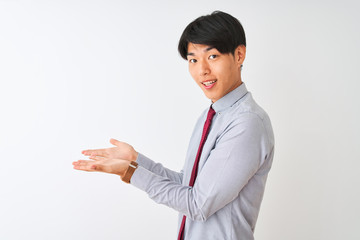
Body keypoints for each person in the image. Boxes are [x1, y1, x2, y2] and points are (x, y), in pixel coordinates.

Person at [73, 10, 274, 240]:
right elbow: (188, 185)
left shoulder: (247, 123)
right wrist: (136, 160)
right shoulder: (213, 114)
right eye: (193, 60)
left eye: (213, 56)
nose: (202, 70)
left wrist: (130, 172)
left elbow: (198, 204)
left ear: (239, 55)